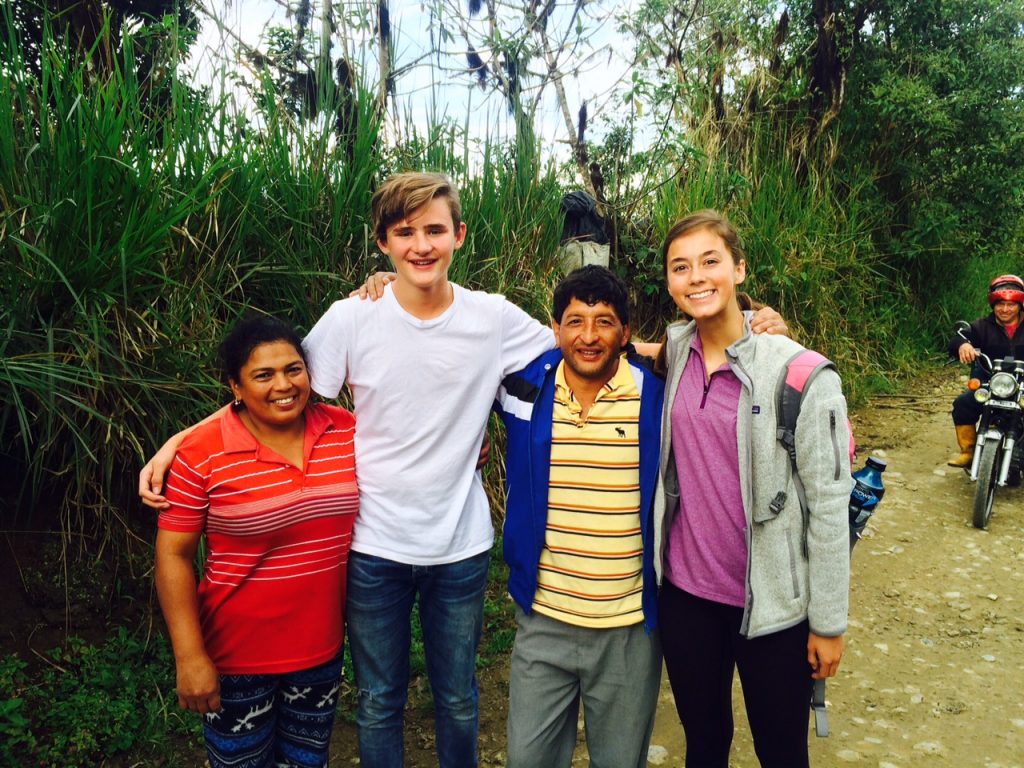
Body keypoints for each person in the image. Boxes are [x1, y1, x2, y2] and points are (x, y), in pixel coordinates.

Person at [144, 172, 788, 766]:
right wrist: (186, 438)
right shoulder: (352, 318)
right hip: (373, 546)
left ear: (459, 234)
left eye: (434, 230)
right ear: (383, 242)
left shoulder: (492, 317)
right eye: (405, 232)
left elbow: (586, 341)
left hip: (460, 546)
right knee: (378, 700)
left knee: (457, 699)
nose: (421, 245)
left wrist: (739, 337)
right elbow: (277, 389)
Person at [651, 210, 852, 768]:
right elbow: (602, 342)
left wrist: (828, 623)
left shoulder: (801, 373)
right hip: (687, 597)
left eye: (710, 261)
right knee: (704, 744)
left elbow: (829, 503)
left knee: (781, 752)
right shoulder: (675, 351)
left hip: (773, 605)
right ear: (669, 282)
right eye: (680, 267)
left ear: (738, 270)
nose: (696, 277)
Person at [154, 316, 358, 768]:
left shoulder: (345, 430)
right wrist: (189, 656)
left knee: (308, 762)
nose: (283, 385)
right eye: (263, 375)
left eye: (293, 369)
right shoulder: (201, 452)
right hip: (236, 659)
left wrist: (468, 448)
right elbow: (173, 556)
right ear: (236, 386)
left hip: (320, 650)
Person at [495, 265, 663, 768]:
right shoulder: (523, 390)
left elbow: (718, 354)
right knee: (527, 759)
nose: (588, 336)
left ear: (625, 333)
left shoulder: (658, 398)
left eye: (604, 322)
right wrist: (390, 286)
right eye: (575, 321)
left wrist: (762, 322)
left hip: (629, 627)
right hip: (543, 618)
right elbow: (448, 353)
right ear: (555, 328)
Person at [946, 274, 1024, 467]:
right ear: (993, 304)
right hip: (990, 384)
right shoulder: (981, 327)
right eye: (1000, 304)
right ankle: (968, 452)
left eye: (1011, 305)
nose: (1005, 309)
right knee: (963, 403)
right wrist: (963, 345)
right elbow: (958, 338)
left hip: (1022, 386)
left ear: (1020, 305)